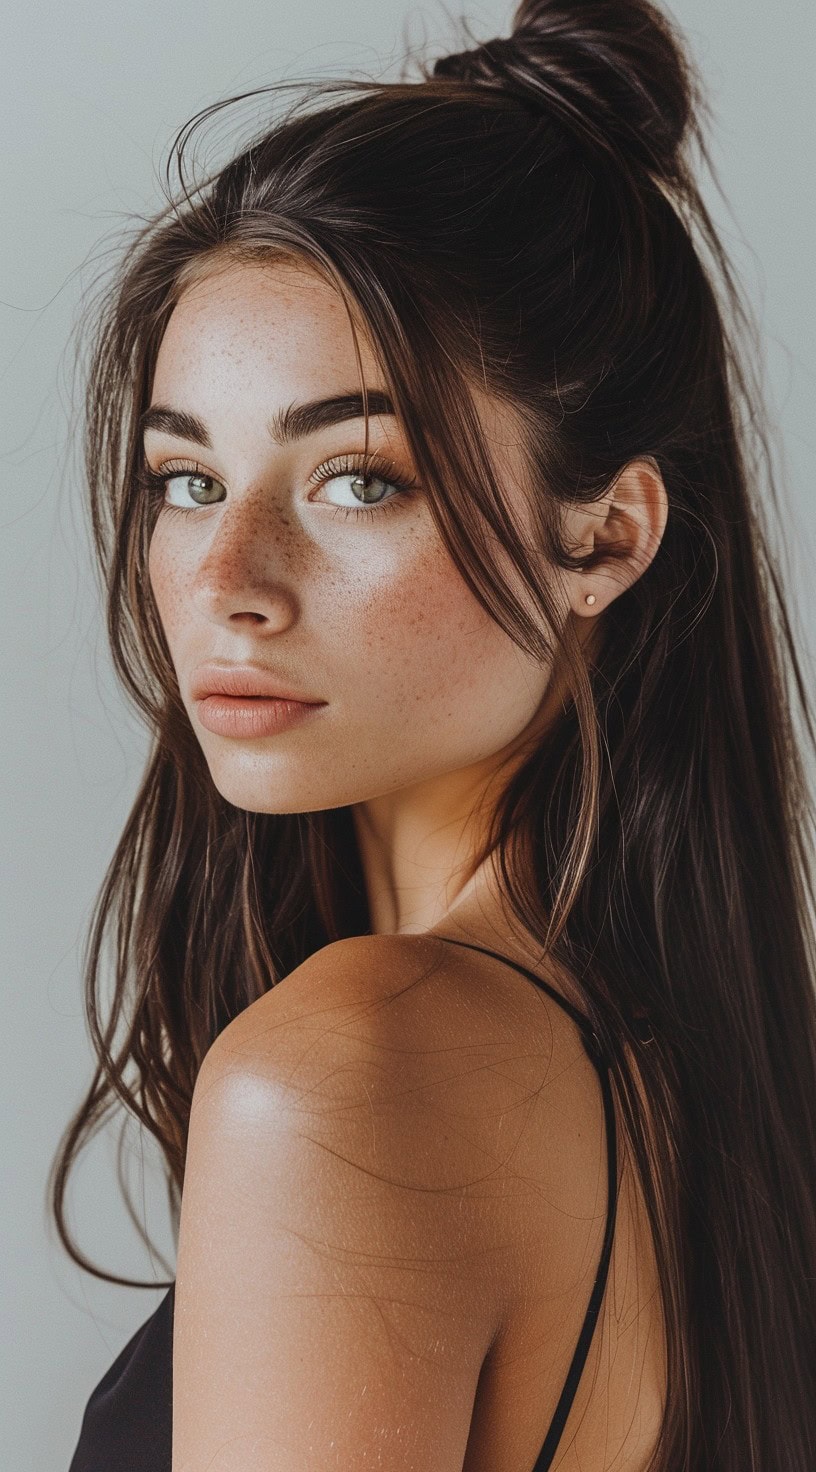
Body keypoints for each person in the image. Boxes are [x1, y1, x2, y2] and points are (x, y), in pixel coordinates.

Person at [53, 1, 816, 1468]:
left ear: (606, 534)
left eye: (357, 480)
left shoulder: (345, 1082)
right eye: (186, 481)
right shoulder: (698, 1094)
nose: (225, 586)